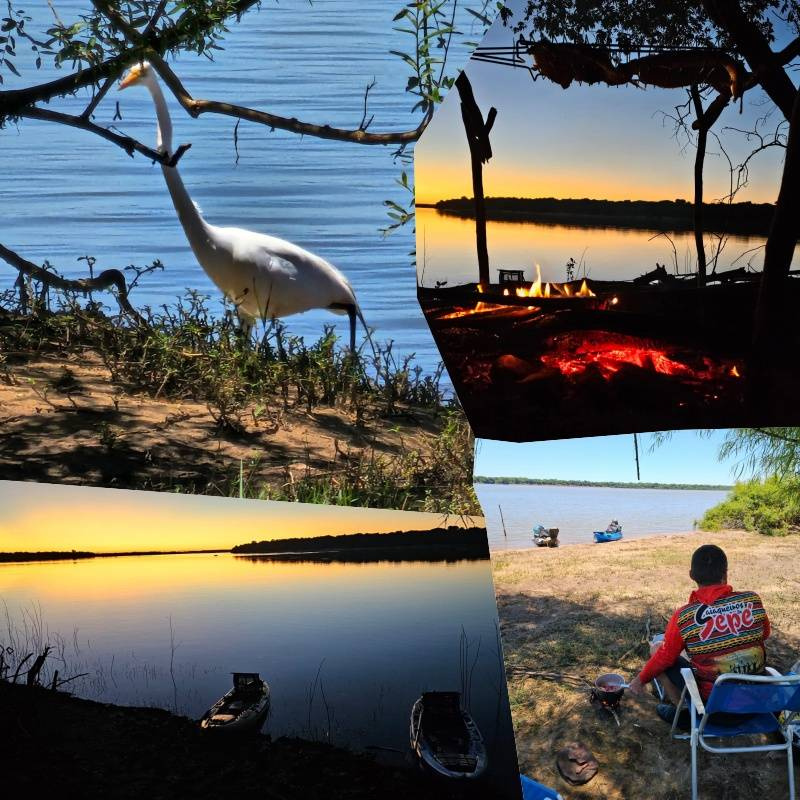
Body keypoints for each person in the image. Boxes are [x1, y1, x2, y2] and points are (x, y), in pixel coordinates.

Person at [627, 544, 771, 725]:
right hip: (757, 704)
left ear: (691, 575)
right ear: (725, 574)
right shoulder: (752, 600)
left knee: (657, 651)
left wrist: (639, 680)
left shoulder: (685, 616)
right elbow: (764, 634)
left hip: (715, 712)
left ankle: (686, 713)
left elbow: (664, 658)